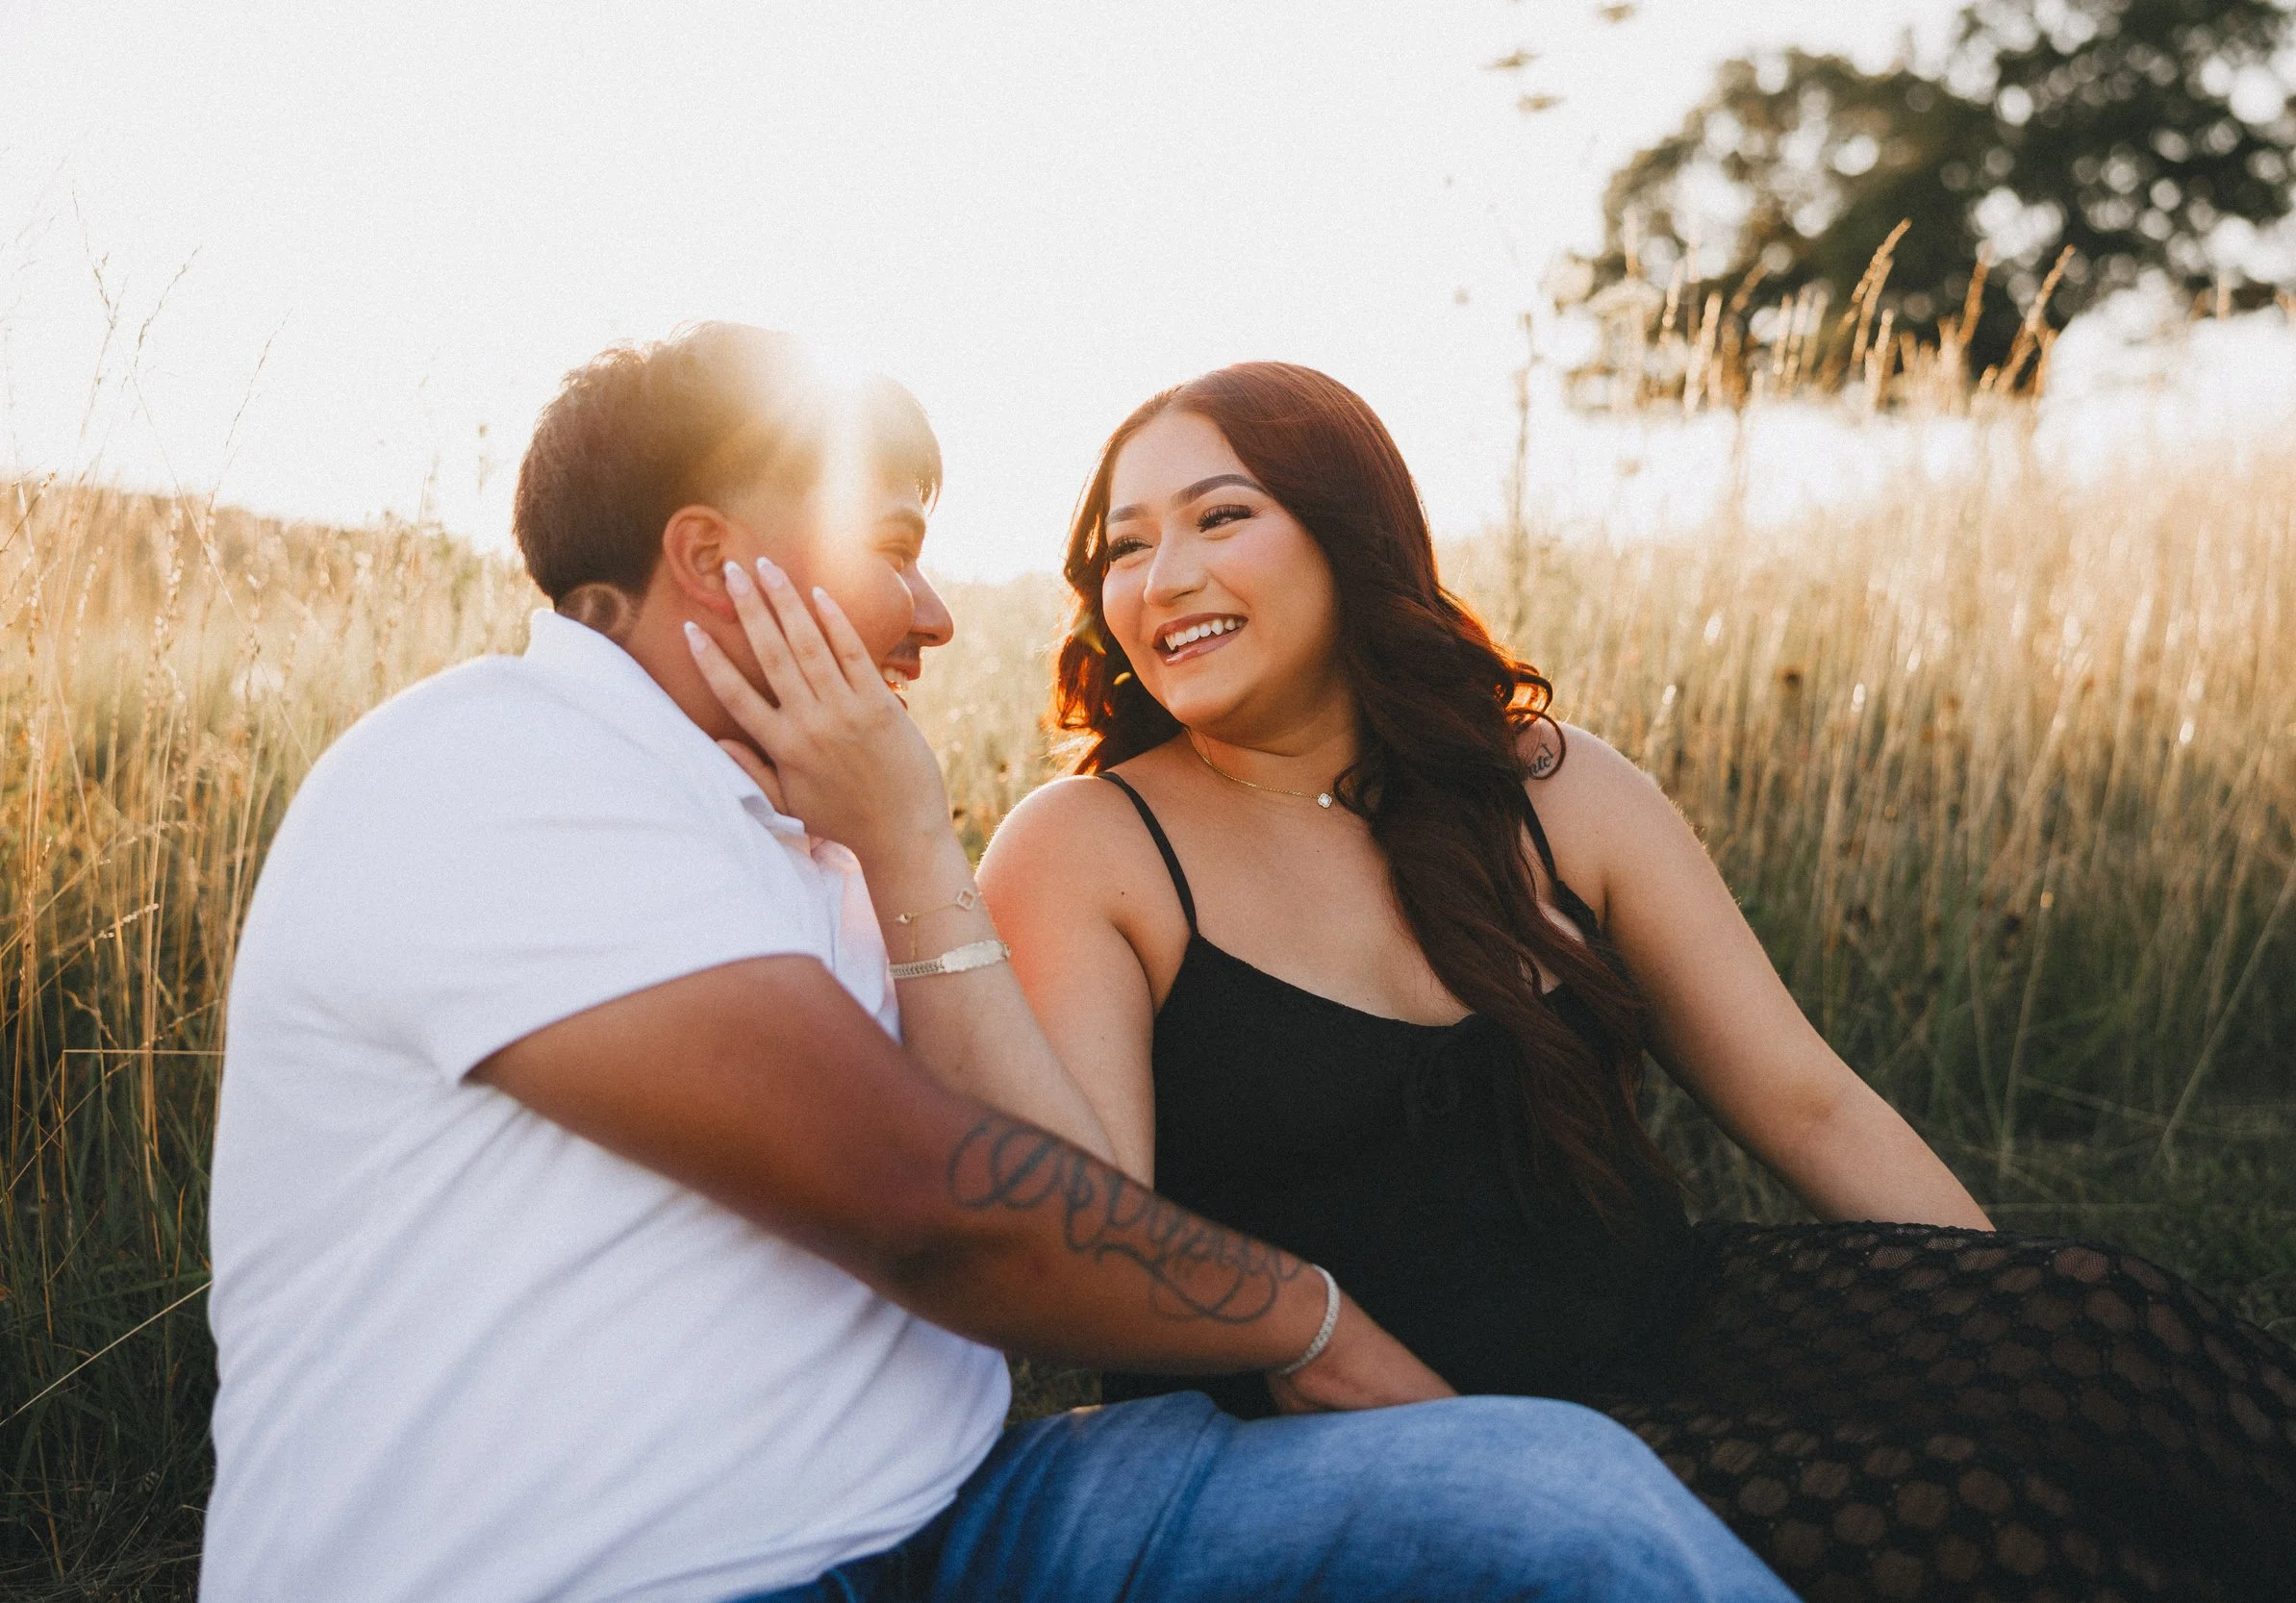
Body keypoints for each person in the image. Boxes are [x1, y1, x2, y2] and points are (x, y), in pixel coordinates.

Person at [200, 324, 1798, 1603]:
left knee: (1549, 1495)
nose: (933, 614)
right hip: (629, 1568)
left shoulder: (813, 842)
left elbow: (1064, 1183)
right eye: (896, 547)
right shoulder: (496, 764)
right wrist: (1311, 1322)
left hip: (966, 1522)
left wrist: (900, 846)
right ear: (713, 557)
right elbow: (951, 1214)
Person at [950, 361, 2296, 1603]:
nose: (1164, 578)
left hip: (1665, 1303)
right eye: (1123, 547)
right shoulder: (1088, 844)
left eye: (1220, 517)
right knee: (1968, 1527)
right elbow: (1095, 1231)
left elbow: (1805, 1098)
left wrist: (2006, 1319)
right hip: (1392, 1431)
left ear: (1349, 537)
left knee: (2100, 1328)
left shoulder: (1546, 781)